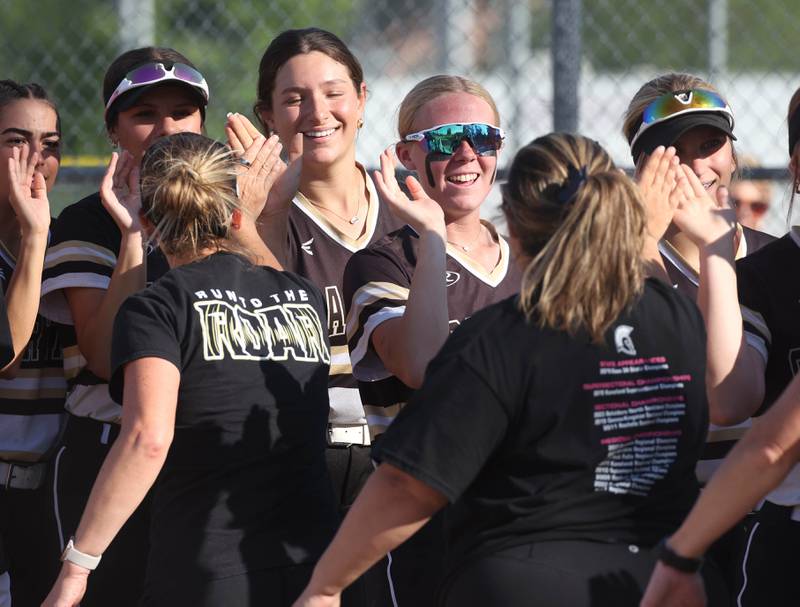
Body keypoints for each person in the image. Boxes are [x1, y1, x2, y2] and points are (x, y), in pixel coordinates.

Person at [292, 133, 727, 607]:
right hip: (661, 577)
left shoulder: (502, 336)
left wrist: (326, 585)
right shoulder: (676, 316)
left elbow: (406, 484)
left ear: (514, 230)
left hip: (529, 578)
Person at [42, 132, 338, 607]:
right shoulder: (303, 297)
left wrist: (78, 567)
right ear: (236, 213)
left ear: (148, 219)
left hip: (209, 566)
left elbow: (147, 439)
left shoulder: (158, 305)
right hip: (312, 565)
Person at [226, 28, 404, 598]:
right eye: (294, 98)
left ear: (362, 97)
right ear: (267, 115)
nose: (317, 112)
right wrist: (265, 216)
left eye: (333, 92)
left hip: (401, 461)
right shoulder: (253, 216)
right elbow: (257, 335)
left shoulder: (409, 204)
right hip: (296, 460)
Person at [339, 74, 521, 605]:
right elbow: (424, 366)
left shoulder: (532, 260)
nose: (466, 153)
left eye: (482, 137)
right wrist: (435, 237)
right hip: (423, 524)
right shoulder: (382, 262)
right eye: (444, 140)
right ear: (406, 155)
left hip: (516, 517)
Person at [38, 47, 209, 606]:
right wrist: (133, 234)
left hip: (201, 454)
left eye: (183, 112)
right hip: (111, 449)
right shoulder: (87, 222)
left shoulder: (227, 214)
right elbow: (108, 355)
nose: (167, 128)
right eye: (145, 114)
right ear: (113, 129)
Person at [648, 85, 800, 606]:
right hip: (662, 510)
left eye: (712, 143)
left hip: (755, 504)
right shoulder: (624, 264)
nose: (698, 165)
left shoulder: (764, 259)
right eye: (676, 150)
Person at [0, 80, 66, 607]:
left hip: (51, 491)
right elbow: (7, 356)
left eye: (51, 144)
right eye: (16, 141)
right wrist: (34, 239)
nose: (36, 158)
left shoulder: (69, 240)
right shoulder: (42, 238)